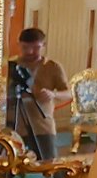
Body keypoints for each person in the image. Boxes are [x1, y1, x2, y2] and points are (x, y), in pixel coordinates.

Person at [7, 26, 73, 162]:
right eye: (25, 48)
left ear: (43, 45)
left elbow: (69, 93)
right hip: (15, 125)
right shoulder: (11, 66)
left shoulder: (53, 67)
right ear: (19, 45)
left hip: (42, 126)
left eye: (36, 47)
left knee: (49, 163)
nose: (30, 52)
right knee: (9, 166)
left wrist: (53, 95)